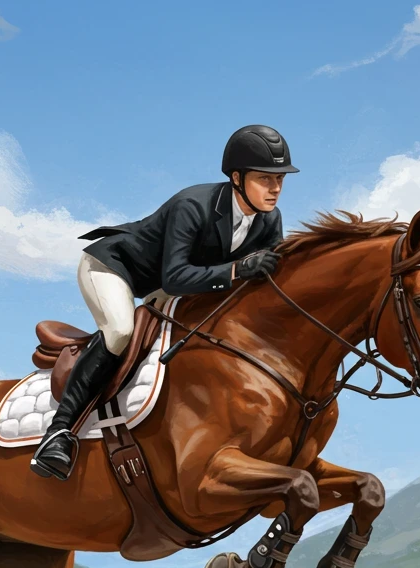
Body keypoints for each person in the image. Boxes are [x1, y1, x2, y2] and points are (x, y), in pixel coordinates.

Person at [30, 125, 299, 481]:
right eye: (266, 179)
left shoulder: (269, 220)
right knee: (121, 331)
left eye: (280, 178)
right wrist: (237, 269)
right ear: (237, 177)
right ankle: (58, 434)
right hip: (114, 266)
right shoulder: (193, 205)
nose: (276, 188)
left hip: (170, 283)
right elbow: (175, 277)